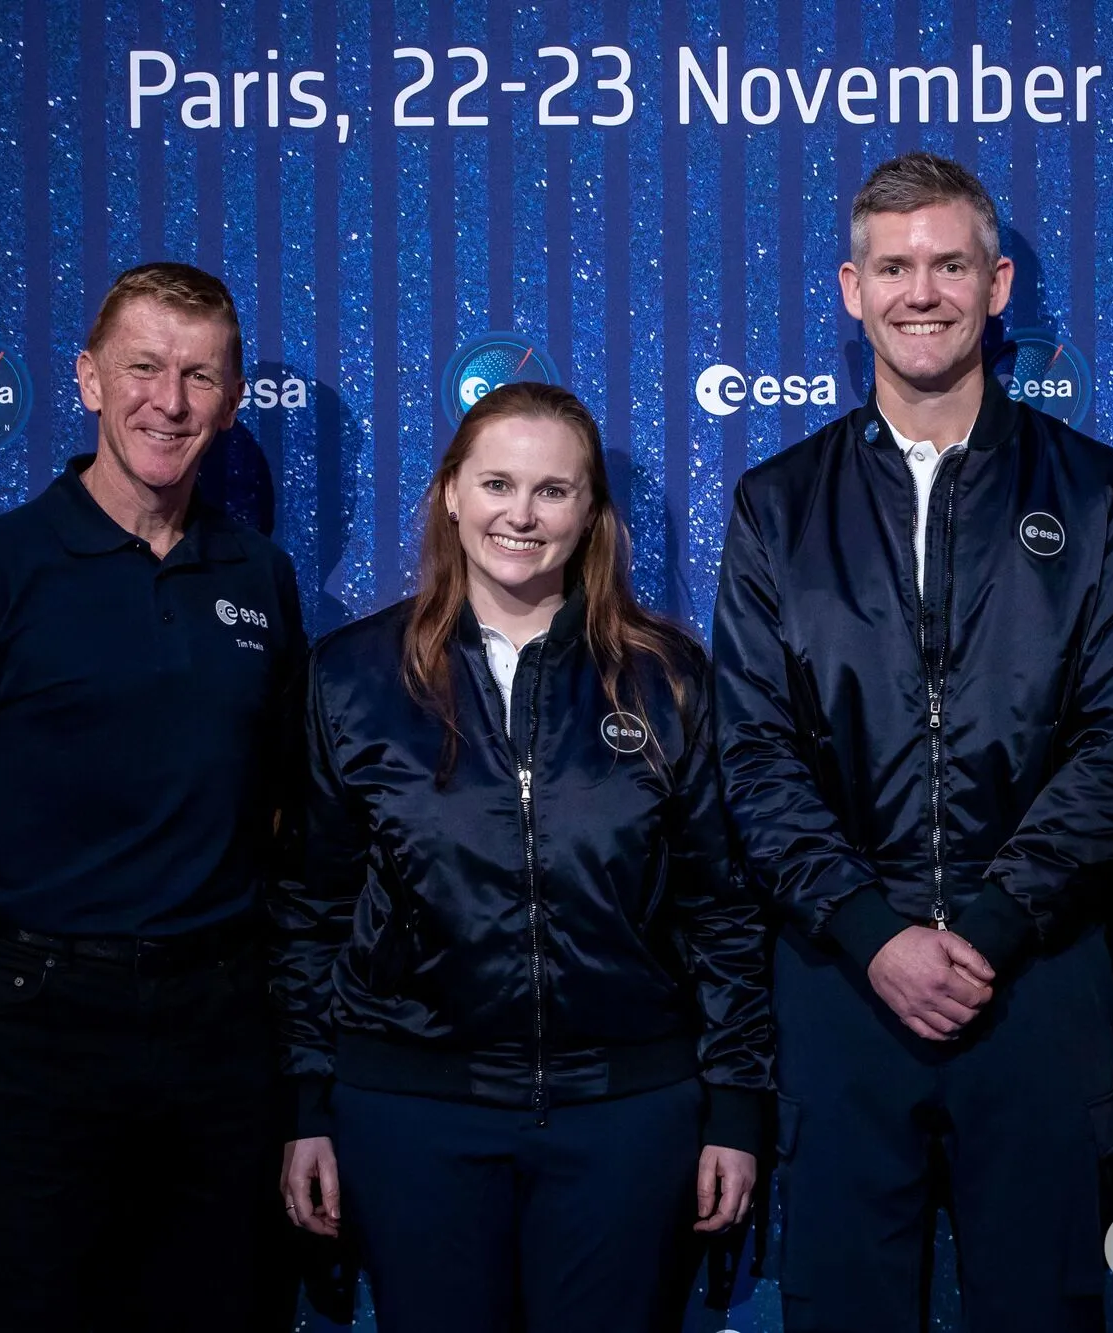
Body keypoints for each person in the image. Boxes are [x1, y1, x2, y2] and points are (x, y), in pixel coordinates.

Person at [713, 152, 1113, 1332]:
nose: (923, 291)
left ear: (997, 282)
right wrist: (872, 933)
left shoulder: (1095, 490)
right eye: (894, 266)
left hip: (1030, 976)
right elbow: (752, 754)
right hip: (837, 980)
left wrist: (989, 923)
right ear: (850, 290)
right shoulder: (775, 503)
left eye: (950, 263)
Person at [0, 263, 307, 1329]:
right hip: (42, 1026)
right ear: (88, 380)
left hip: (222, 1031)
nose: (167, 401)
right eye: (141, 367)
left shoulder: (258, 577)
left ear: (229, 404)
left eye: (197, 376)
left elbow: (275, 808)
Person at [272, 381, 772, 1333]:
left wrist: (737, 1106)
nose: (522, 514)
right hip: (413, 1114)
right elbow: (308, 908)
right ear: (451, 494)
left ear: (591, 513)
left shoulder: (667, 679)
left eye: (553, 490)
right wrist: (308, 1101)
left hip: (624, 1116)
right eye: (497, 482)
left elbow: (723, 911)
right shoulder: (349, 678)